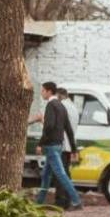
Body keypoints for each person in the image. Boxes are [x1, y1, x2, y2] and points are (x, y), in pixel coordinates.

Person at [36, 82, 82, 210]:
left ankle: (76, 200)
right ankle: (38, 203)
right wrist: (73, 148)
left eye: (43, 91)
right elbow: (68, 129)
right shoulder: (61, 106)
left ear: (49, 91)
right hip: (59, 145)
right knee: (46, 175)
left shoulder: (51, 105)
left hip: (51, 145)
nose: (41, 93)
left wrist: (40, 143)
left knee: (61, 175)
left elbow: (49, 126)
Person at [56, 87, 80, 209]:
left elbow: (58, 126)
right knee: (66, 173)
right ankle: (70, 200)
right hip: (69, 145)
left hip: (62, 145)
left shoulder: (62, 106)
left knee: (61, 174)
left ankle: (63, 202)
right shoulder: (73, 107)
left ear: (59, 96)